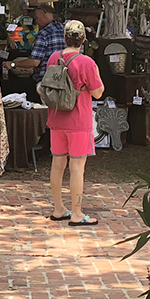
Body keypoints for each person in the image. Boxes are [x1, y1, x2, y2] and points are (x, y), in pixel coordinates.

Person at [45, 20, 104, 226]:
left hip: (56, 117)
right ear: (84, 40)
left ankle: (58, 208)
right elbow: (98, 92)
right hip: (78, 120)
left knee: (57, 164)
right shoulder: (87, 62)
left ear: (65, 38)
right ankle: (77, 213)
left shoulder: (54, 57)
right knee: (77, 167)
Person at [13, 4, 66, 101]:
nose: (36, 22)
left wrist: (14, 64)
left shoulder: (43, 34)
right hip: (65, 81)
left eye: (37, 18)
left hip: (47, 82)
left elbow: (34, 62)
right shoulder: (65, 30)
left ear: (44, 14)